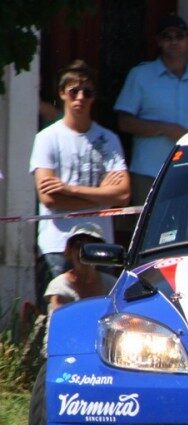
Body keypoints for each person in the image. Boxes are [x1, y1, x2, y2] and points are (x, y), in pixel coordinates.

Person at [29, 60, 129, 309]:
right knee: (56, 316)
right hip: (58, 243)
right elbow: (49, 198)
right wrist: (101, 194)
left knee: (102, 314)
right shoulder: (47, 138)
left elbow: (123, 195)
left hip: (99, 241)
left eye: (87, 92)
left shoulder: (109, 139)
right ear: (62, 94)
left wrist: (70, 189)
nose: (81, 97)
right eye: (74, 91)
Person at [114, 14, 188, 206]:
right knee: (148, 231)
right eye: (168, 36)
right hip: (149, 172)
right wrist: (166, 129)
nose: (174, 41)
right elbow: (124, 122)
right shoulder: (141, 75)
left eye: (179, 36)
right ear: (159, 41)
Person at [43, 221, 118, 314]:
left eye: (90, 247)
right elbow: (61, 321)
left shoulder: (113, 285)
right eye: (78, 246)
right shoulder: (59, 286)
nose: (82, 252)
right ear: (69, 252)